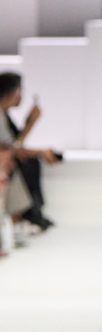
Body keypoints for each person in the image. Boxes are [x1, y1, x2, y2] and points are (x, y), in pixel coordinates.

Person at [0, 72, 59, 231]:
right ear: (11, 92)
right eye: (19, 91)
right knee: (24, 164)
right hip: (4, 160)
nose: (21, 96)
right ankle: (26, 217)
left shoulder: (4, 114)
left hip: (5, 159)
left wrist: (30, 123)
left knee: (28, 162)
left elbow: (14, 145)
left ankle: (29, 216)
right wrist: (30, 125)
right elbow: (11, 148)